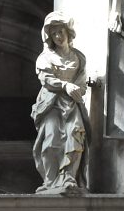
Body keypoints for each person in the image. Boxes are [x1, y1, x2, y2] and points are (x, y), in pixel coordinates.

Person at [31, 11, 91, 195]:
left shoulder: (78, 57)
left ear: (68, 33)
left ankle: (69, 178)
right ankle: (51, 181)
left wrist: (78, 90)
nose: (57, 36)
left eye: (60, 32)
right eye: (54, 33)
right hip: (50, 104)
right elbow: (47, 79)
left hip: (72, 104)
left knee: (74, 138)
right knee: (51, 140)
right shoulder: (45, 58)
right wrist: (65, 85)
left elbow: (81, 82)